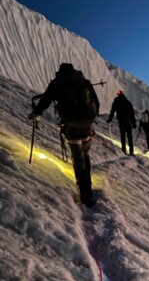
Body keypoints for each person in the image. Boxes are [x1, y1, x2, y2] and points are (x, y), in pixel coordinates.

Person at [28, 63, 100, 207]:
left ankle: (86, 196)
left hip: (71, 126)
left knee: (77, 158)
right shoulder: (84, 81)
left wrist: (36, 114)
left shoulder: (56, 84)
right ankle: (88, 185)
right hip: (87, 125)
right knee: (85, 154)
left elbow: (45, 101)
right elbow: (96, 103)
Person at [107, 90, 136, 155]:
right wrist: (134, 123)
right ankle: (131, 151)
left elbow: (112, 112)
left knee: (123, 136)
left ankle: (124, 150)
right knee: (130, 137)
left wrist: (109, 120)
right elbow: (132, 113)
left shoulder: (116, 102)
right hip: (129, 122)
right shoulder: (128, 102)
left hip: (122, 121)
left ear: (118, 95)